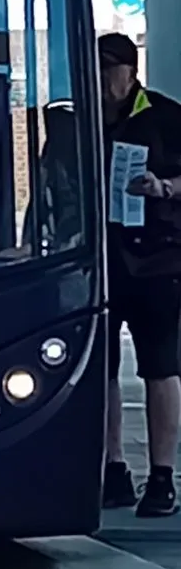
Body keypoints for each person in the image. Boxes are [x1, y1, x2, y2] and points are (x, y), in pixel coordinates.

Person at [100, 31, 181, 517]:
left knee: (159, 366)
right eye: (98, 69)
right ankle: (113, 468)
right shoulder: (79, 121)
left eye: (111, 70)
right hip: (103, 262)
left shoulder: (166, 117)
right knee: (102, 368)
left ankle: (162, 476)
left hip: (158, 261)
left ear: (131, 72)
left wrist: (164, 187)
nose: (104, 79)